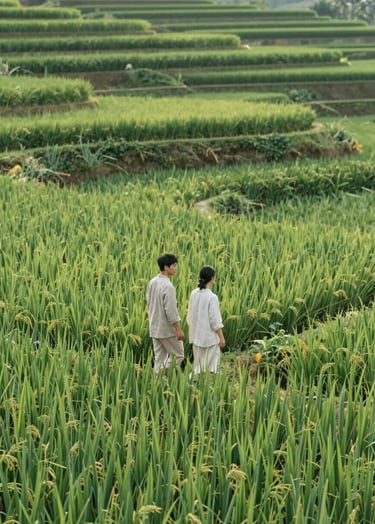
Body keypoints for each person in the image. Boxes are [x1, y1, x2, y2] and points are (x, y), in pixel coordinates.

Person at [146, 253, 185, 374]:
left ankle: (157, 386)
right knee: (178, 355)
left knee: (159, 358)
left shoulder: (152, 282)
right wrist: (178, 329)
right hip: (166, 329)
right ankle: (160, 376)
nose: (176, 268)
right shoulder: (168, 286)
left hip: (154, 327)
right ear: (166, 267)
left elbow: (148, 302)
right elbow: (171, 311)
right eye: (174, 265)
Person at [187, 265, 225, 376]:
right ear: (213, 278)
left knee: (198, 367)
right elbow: (215, 321)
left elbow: (189, 315)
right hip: (209, 339)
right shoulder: (212, 297)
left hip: (196, 337)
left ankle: (194, 387)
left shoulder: (193, 293)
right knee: (211, 369)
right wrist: (221, 338)